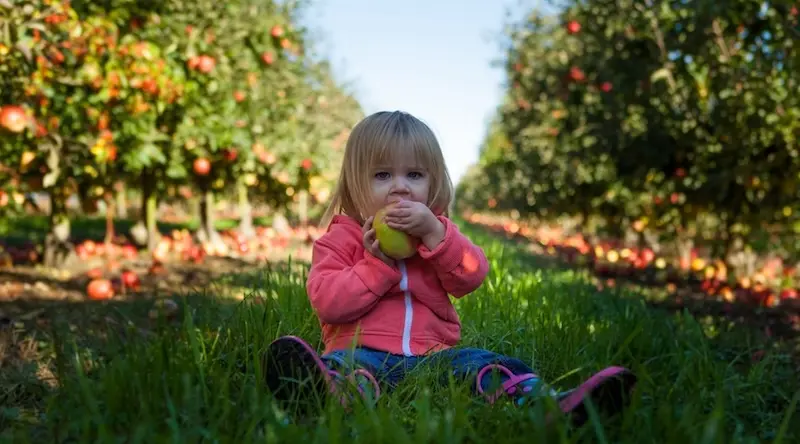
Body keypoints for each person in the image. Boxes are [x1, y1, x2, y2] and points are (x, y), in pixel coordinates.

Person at [262, 110, 636, 426]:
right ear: (353, 183)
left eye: (414, 175)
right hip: (362, 350)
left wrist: (436, 236)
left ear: (433, 182)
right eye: (382, 175)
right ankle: (326, 394)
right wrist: (377, 267)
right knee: (344, 367)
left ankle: (551, 405)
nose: (400, 189)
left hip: (434, 356)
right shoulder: (338, 241)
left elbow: (471, 276)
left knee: (486, 364)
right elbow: (328, 303)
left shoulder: (438, 234)